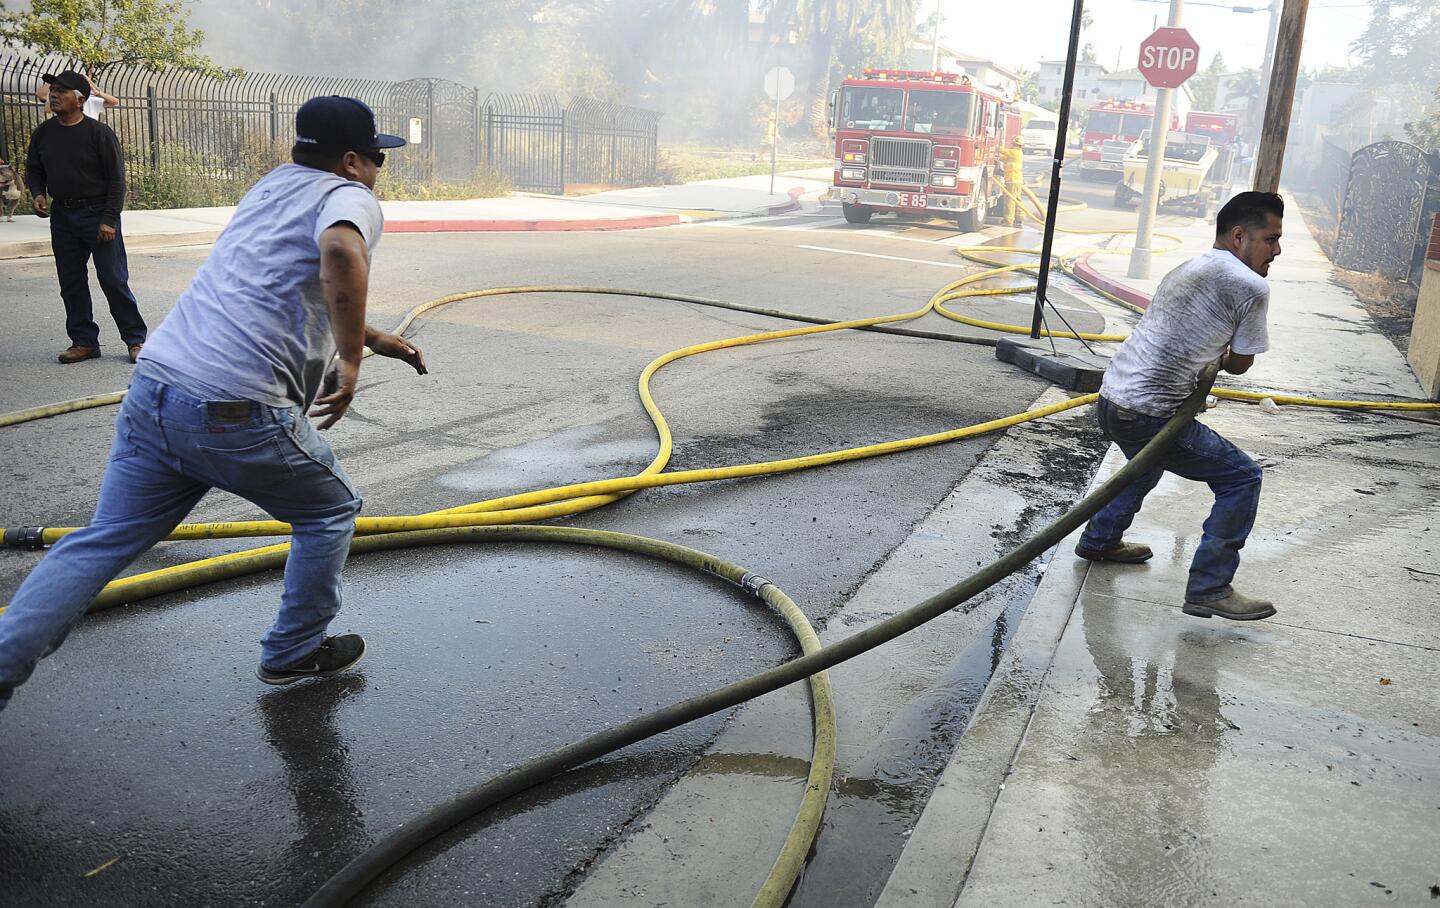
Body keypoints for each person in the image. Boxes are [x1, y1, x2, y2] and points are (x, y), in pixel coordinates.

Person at [0, 95, 421, 712]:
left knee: (102, 541)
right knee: (330, 511)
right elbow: (337, 252)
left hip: (157, 387)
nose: (380, 170)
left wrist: (370, 336)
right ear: (352, 160)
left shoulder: (272, 185)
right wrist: (351, 359)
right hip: (234, 410)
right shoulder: (352, 197)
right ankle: (292, 650)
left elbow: (271, 281)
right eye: (378, 157)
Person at [1074, 191, 1283, 622]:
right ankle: (1210, 587)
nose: (1276, 251)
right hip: (1152, 414)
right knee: (1242, 477)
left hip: (1113, 399)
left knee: (1144, 465)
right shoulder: (1251, 286)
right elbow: (1241, 364)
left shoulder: (1191, 265)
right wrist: (1217, 356)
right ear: (1240, 236)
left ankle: (1099, 539)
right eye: (1271, 239)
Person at [24, 69, 147, 364]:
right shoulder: (44, 133)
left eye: (61, 92)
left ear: (80, 100)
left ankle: (135, 340)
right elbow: (34, 168)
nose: (53, 95)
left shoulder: (99, 133)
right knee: (71, 282)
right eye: (52, 91)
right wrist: (38, 193)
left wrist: (109, 219)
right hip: (63, 216)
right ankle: (84, 341)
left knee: (113, 279)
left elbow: (117, 180)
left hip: (97, 214)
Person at [38, 72, 121, 120]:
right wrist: (58, 82)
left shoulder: (92, 100)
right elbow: (43, 101)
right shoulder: (61, 98)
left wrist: (98, 93)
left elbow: (114, 101)